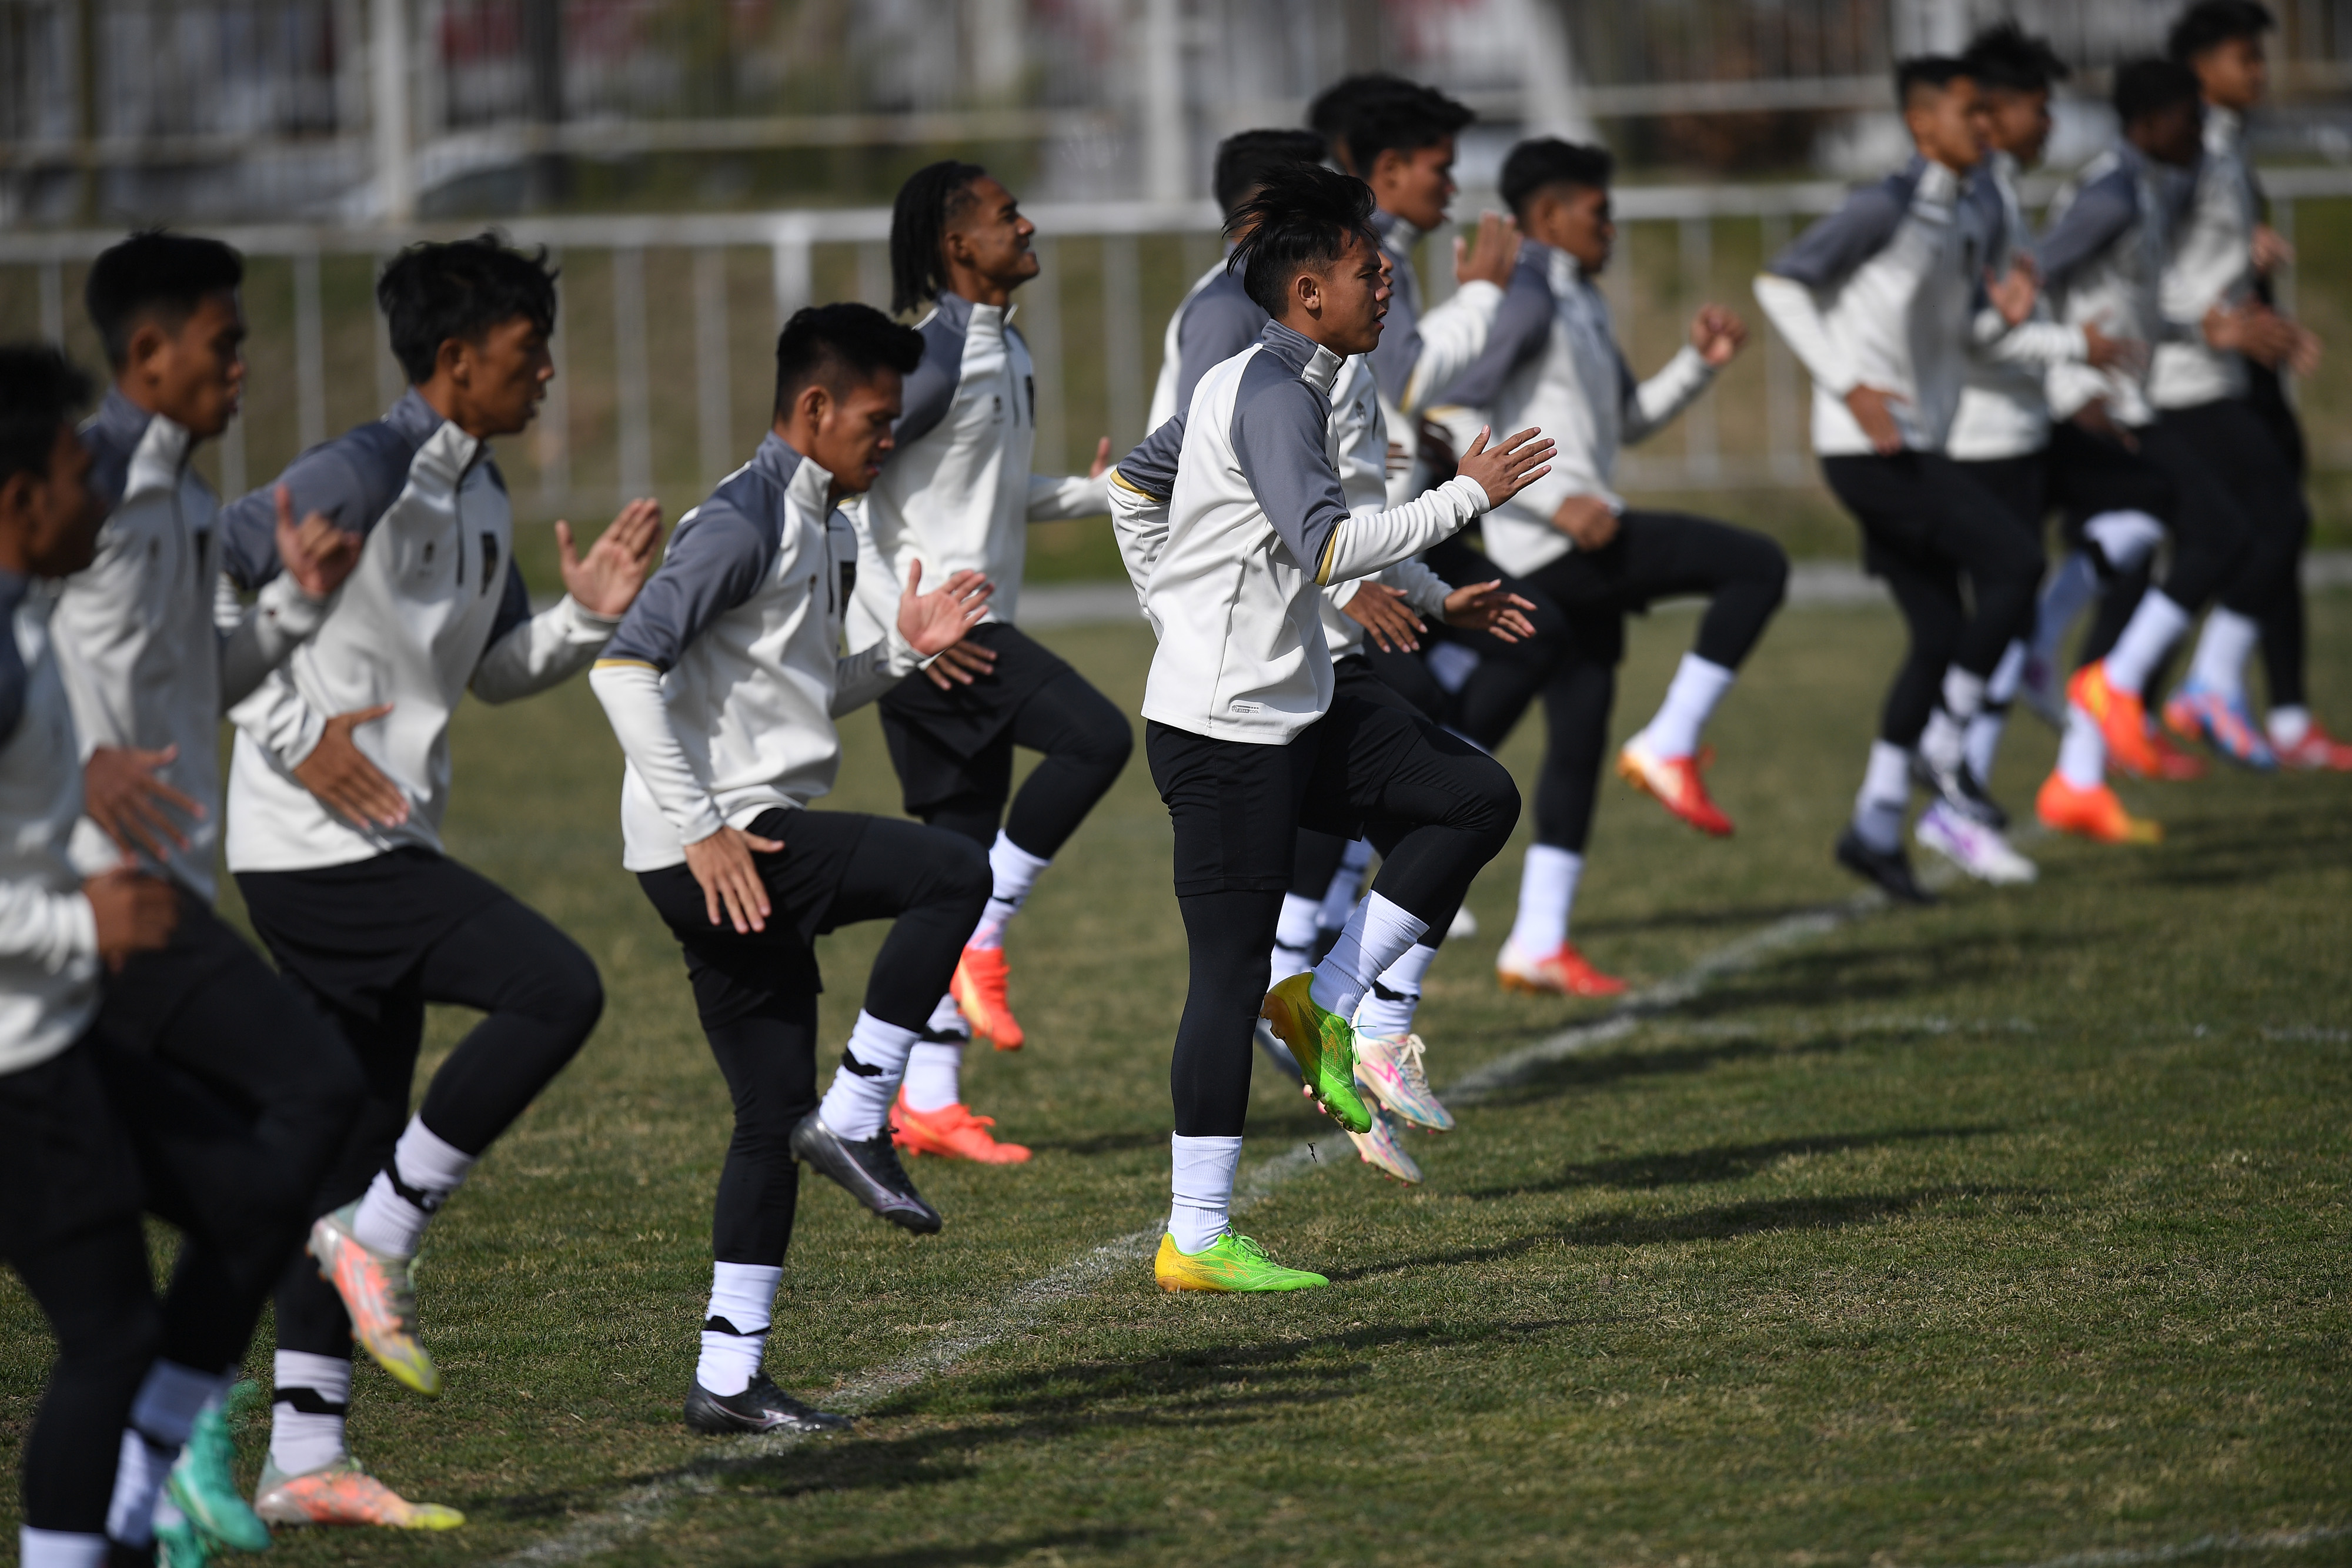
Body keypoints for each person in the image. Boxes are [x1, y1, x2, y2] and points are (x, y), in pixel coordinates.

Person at [219, 233, 662, 1528]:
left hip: (387, 848)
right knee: (554, 985)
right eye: (528, 357)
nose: (545, 379)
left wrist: (583, 614)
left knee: (346, 1139)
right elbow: (190, 595)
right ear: (457, 361)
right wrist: (296, 736)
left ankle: (302, 1457)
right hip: (310, 853)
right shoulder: (356, 470)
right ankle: (386, 1237)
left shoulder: (476, 490)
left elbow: (495, 668)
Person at [1110, 163, 1549, 1290]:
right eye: (1367, 266)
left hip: (1299, 706)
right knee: (1222, 981)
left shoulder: (1290, 379)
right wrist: (1469, 500)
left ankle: (1332, 999)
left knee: (1475, 798)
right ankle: (1195, 1239)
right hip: (1223, 737)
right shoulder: (1264, 389)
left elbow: (1133, 486)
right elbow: (1321, 546)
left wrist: (1177, 597)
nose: (1387, 276)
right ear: (1309, 291)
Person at [592, 303, 997, 1435]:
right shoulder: (744, 516)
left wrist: (903, 650)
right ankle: (865, 1114)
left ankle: (727, 1377)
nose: (891, 439)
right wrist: (703, 826)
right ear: (813, 410)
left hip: (728, 844)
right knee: (953, 874)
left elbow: (802, 693)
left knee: (769, 1117)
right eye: (877, 419)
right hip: (731, 846)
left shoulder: (829, 518)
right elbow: (624, 670)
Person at [56, 230, 375, 1560]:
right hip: (104, 904)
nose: (245, 367)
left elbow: (195, 675)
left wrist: (295, 612)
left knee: (188, 1234)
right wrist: (73, 767)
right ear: (147, 354)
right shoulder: (79, 491)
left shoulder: (182, 499)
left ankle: (160, 1463)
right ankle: (171, 1438)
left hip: (165, 884)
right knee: (312, 1095)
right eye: (224, 344)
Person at [1441, 138, 1790, 991]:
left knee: (1577, 731)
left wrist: (1698, 369)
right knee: (1757, 565)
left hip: (1577, 539)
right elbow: (1446, 413)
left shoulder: (1580, 301)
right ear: (1551, 217)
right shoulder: (1525, 297)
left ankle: (1538, 940)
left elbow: (1626, 421)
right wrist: (1551, 503)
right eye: (1601, 213)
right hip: (1558, 544)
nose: (1615, 228)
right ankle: (1672, 742)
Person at [855, 161, 1128, 1162]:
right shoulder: (926, 360)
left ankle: (922, 1098)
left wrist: (1100, 494)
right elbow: (839, 490)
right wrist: (901, 620)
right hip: (942, 643)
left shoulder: (1003, 349)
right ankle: (987, 931)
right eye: (1008, 214)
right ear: (957, 245)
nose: (1029, 222)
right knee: (1098, 739)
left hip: (965, 641)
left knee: (953, 864)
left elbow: (989, 493)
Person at [1754, 56, 2039, 904]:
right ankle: (1943, 752)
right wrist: (1849, 384)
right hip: (1870, 449)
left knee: (1939, 629)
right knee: (2018, 564)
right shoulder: (1886, 205)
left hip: (1918, 442)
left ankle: (1876, 828)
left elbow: (1964, 337)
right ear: (1924, 126)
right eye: (1969, 114)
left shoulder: (1961, 213)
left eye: (1991, 114)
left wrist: (2019, 327)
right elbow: (1780, 283)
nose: (1986, 128)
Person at [0, 342, 184, 1568]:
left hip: (52, 1032)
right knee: (113, 1337)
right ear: (22, 499)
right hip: (17, 1057)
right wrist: (85, 922)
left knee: (122, 1325)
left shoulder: (22, 623)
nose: (99, 494)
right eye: (80, 471)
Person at [1942, 24, 2193, 837]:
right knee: (1976, 627)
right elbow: (1979, 322)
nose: (2050, 125)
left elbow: (2017, 310)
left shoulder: (2000, 188)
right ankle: (1954, 798)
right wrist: (2069, 374)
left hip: (2025, 421)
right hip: (1982, 434)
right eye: (2039, 110)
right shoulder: (1973, 196)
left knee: (2145, 507)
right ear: (1990, 111)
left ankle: (2047, 677)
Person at [2034, 58, 2267, 842]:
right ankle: (2101, 681)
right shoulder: (2106, 194)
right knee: (2226, 529)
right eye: (2188, 121)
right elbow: (2030, 282)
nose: (2199, 135)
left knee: (2140, 559)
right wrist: (2073, 384)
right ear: (2148, 123)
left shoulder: (2143, 188)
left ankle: (2077, 774)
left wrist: (2201, 330)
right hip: (2096, 408)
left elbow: (2126, 305)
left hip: (2127, 398)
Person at [2152, 0, 2343, 769]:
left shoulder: (2227, 145)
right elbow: (2130, 259)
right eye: (2245, 59)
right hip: (2186, 376)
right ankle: (2169, 690)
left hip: (2238, 368)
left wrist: (2252, 278)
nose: (2260, 73)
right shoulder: (2180, 149)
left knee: (2269, 528)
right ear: (2199, 69)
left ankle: (2277, 710)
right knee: (2240, 531)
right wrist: (2214, 317)